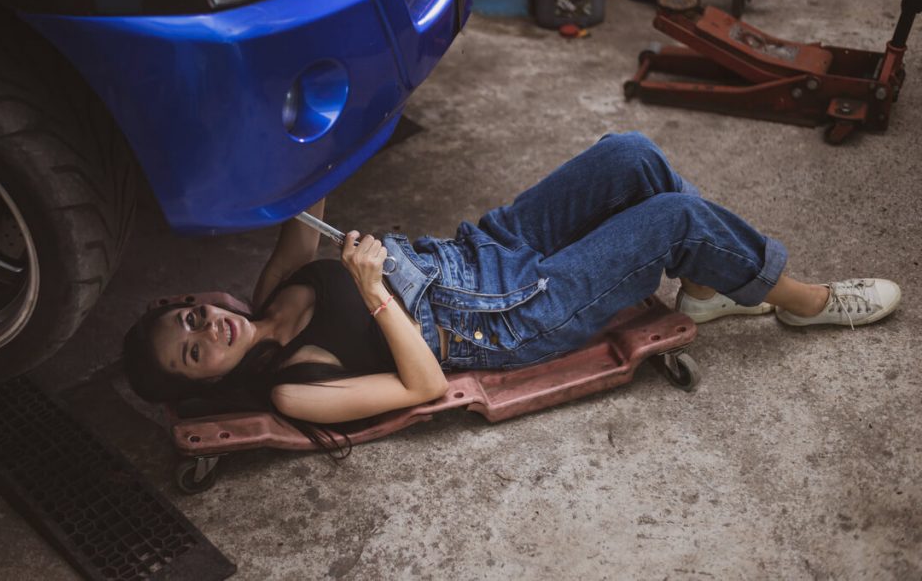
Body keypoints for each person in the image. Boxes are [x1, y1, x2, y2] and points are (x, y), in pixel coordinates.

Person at [124, 132, 901, 447]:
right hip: (501, 320)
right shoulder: (296, 389)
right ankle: (804, 302)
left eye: (192, 317)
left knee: (630, 154)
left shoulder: (271, 286)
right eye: (194, 354)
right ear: (211, 381)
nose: (208, 331)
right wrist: (371, 293)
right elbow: (423, 384)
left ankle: (706, 284)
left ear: (200, 298)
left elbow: (310, 177)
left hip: (482, 248)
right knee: (673, 216)